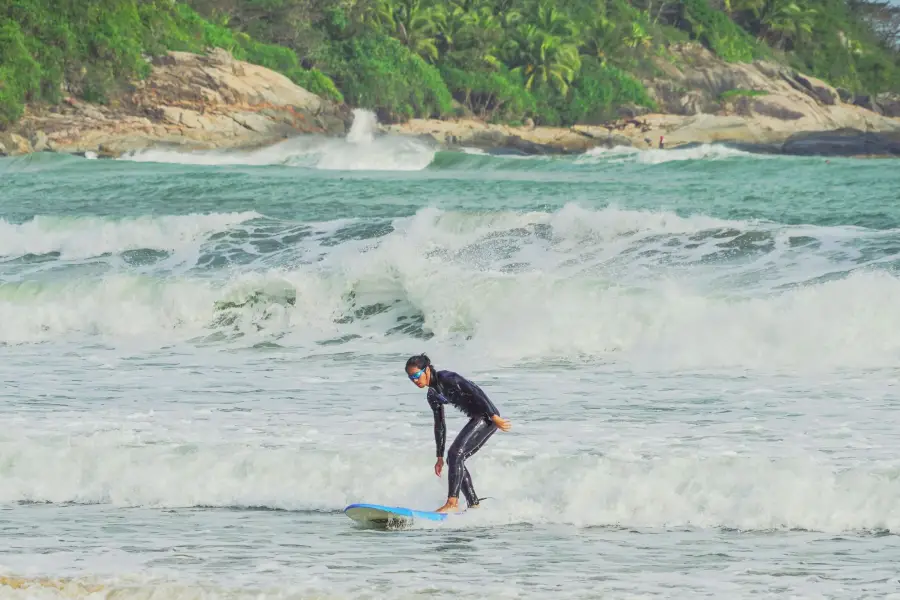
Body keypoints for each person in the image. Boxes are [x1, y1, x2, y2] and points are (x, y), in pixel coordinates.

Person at [405, 353, 511, 513]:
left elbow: (476, 392)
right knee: (453, 458)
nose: (414, 380)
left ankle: (452, 503)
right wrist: (439, 457)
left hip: (486, 417)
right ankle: (474, 504)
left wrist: (494, 416)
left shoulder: (448, 378)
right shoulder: (433, 395)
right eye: (410, 378)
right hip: (477, 418)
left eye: (416, 375)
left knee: (455, 454)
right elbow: (439, 425)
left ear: (426, 370)